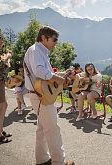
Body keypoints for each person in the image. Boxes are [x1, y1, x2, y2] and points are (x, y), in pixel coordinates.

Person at [23, 26, 74, 165]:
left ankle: (42, 159)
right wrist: (58, 79)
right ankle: (59, 162)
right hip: (41, 96)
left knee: (42, 128)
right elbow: (39, 71)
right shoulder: (36, 51)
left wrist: (62, 74)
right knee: (53, 129)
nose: (56, 43)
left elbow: (45, 73)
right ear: (43, 38)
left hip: (39, 95)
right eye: (54, 39)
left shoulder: (40, 51)